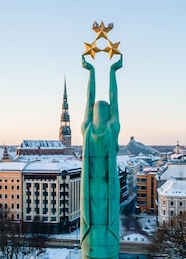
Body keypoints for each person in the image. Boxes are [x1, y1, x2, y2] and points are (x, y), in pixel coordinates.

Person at [80, 54, 122, 259]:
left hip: (89, 197)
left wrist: (92, 72)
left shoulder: (87, 129)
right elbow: (115, 101)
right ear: (108, 114)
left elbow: (88, 100)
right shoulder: (112, 129)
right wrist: (113, 72)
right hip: (108, 193)